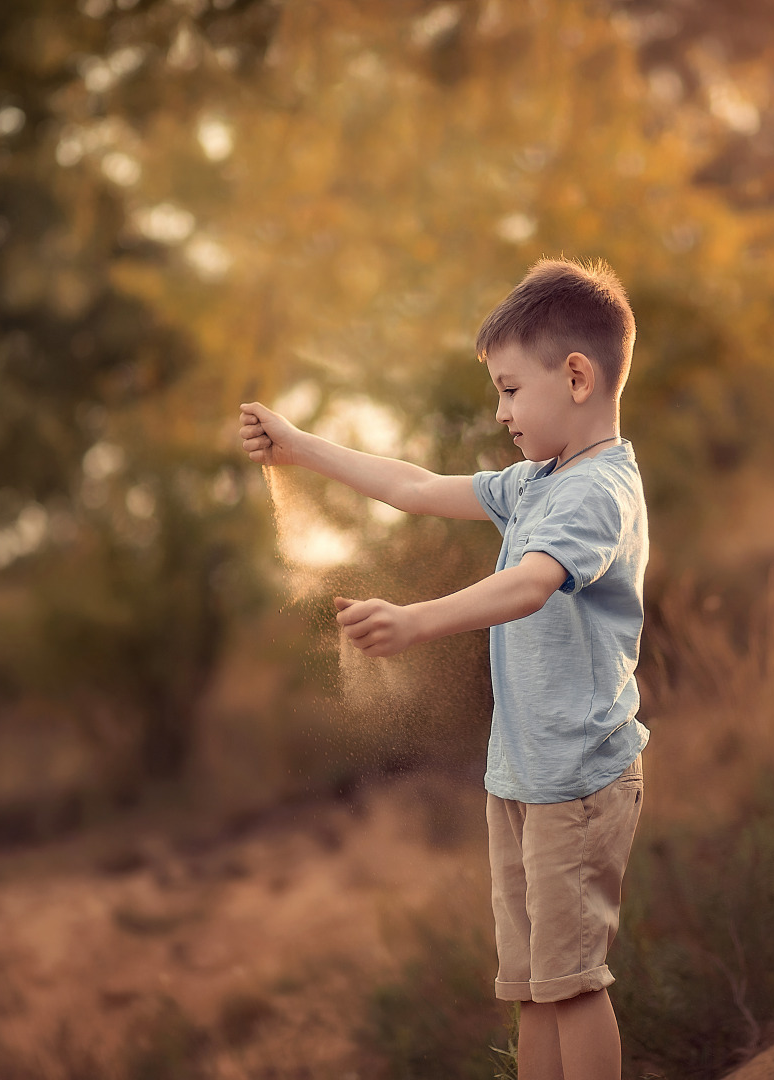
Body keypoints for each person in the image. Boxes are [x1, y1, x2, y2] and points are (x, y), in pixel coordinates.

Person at [239, 257, 649, 1080]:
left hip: (575, 780)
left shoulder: (598, 492)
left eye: (508, 389)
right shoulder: (536, 482)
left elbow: (533, 583)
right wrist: (300, 448)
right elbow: (417, 487)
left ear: (576, 376)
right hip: (524, 778)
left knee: (572, 986)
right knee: (533, 987)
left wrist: (416, 621)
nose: (499, 412)